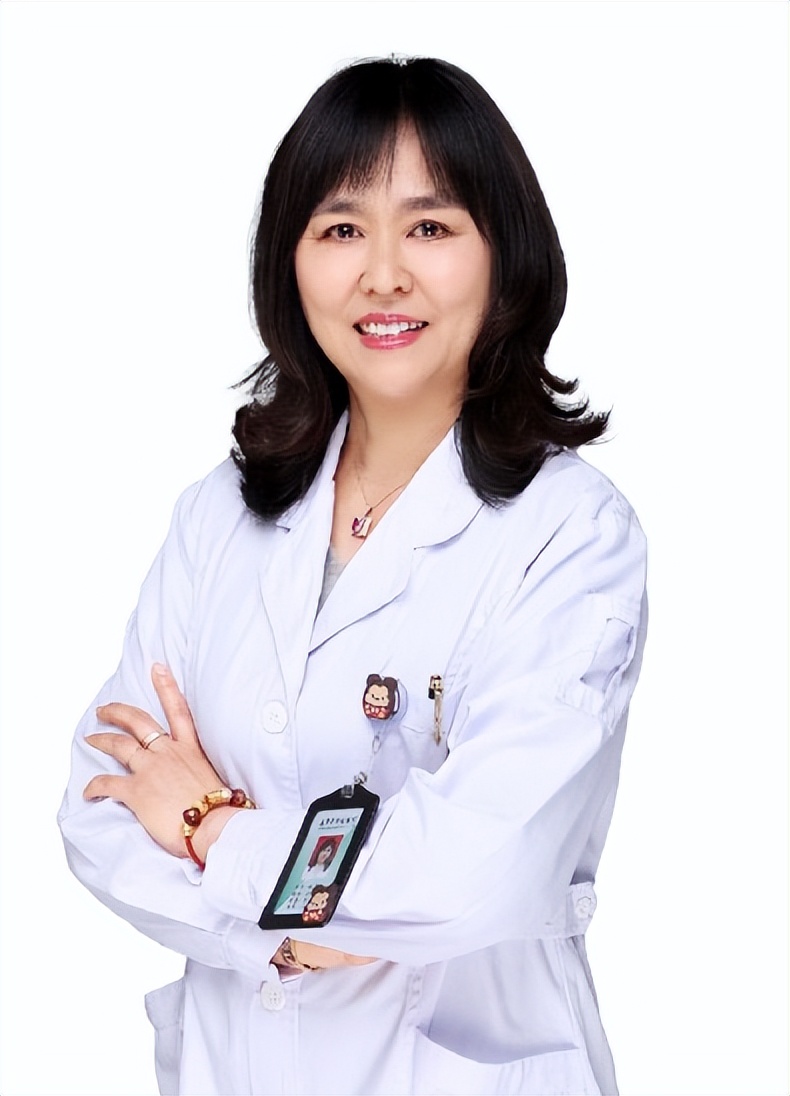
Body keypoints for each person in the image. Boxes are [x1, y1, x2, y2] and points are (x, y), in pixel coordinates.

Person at [58, 56, 647, 1096]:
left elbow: (468, 868)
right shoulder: (220, 515)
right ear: (288, 263)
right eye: (339, 229)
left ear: (504, 256)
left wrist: (211, 828)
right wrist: (286, 937)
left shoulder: (570, 533)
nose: (382, 275)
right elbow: (102, 808)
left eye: (430, 227)